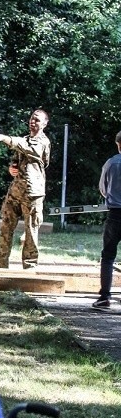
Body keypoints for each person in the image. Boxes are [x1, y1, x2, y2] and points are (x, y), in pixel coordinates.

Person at [0, 109, 51, 269]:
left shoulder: (43, 142)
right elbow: (16, 159)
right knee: (6, 227)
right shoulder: (24, 139)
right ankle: (0, 264)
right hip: (15, 191)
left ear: (44, 124)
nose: (33, 121)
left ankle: (30, 266)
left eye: (37, 120)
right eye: (31, 118)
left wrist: (2, 138)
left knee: (31, 231)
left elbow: (28, 148)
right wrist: (12, 168)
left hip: (33, 193)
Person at [92, 130, 121, 309]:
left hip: (116, 214)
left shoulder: (111, 163)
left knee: (108, 256)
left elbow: (103, 188)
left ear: (118, 144)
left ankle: (105, 297)